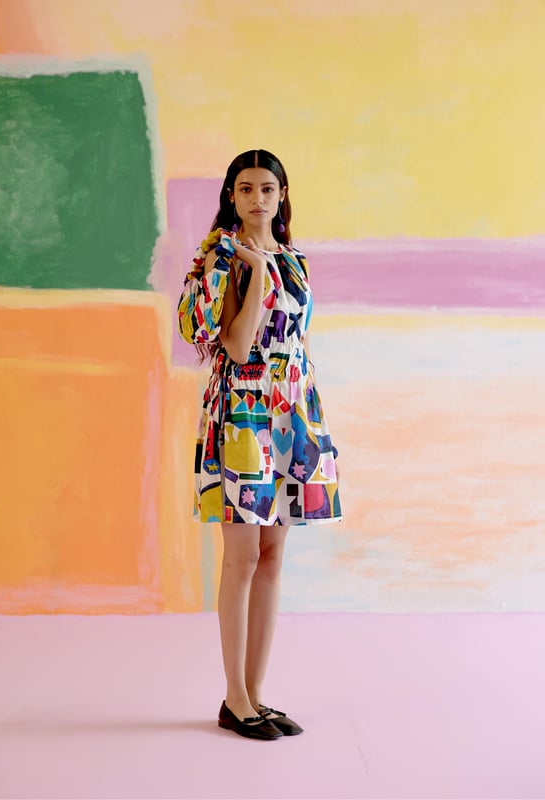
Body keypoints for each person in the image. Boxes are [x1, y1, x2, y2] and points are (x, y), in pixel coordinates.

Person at [177, 149, 342, 741]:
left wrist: (308, 416)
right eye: (245, 189)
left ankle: (255, 695)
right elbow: (240, 347)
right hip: (243, 415)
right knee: (242, 557)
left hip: (290, 412)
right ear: (231, 195)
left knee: (273, 555)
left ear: (282, 195)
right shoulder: (221, 258)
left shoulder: (295, 260)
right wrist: (256, 276)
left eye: (267, 188)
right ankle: (235, 697)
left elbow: (298, 340)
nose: (257, 199)